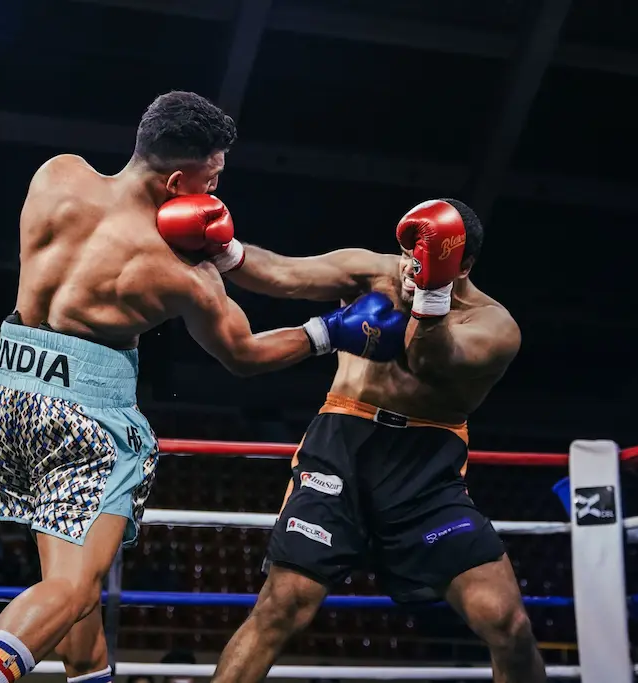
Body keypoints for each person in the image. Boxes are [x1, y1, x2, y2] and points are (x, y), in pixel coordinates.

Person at [0, 91, 406, 683]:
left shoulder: (56, 176)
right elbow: (244, 355)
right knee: (74, 588)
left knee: (76, 611)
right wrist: (331, 331)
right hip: (83, 420)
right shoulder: (179, 272)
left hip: (9, 399)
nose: (216, 192)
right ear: (175, 183)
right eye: (211, 180)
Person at [210, 199, 547, 682]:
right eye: (409, 253)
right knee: (283, 604)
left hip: (424, 468)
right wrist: (224, 249)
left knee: (506, 622)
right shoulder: (372, 272)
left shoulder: (493, 326)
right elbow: (282, 274)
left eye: (426, 260)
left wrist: (431, 294)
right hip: (340, 447)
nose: (411, 267)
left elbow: (429, 360)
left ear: (464, 266)